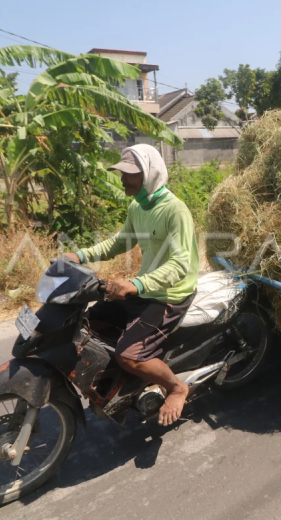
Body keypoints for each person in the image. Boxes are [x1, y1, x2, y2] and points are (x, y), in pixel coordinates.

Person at [63, 144, 199, 426]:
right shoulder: (139, 205)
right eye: (122, 174)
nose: (123, 180)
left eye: (130, 175)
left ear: (149, 174)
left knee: (129, 356)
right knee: (88, 322)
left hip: (169, 294)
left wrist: (135, 284)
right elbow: (120, 242)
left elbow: (179, 265)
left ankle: (176, 387)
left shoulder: (175, 210)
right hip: (144, 287)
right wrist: (80, 255)